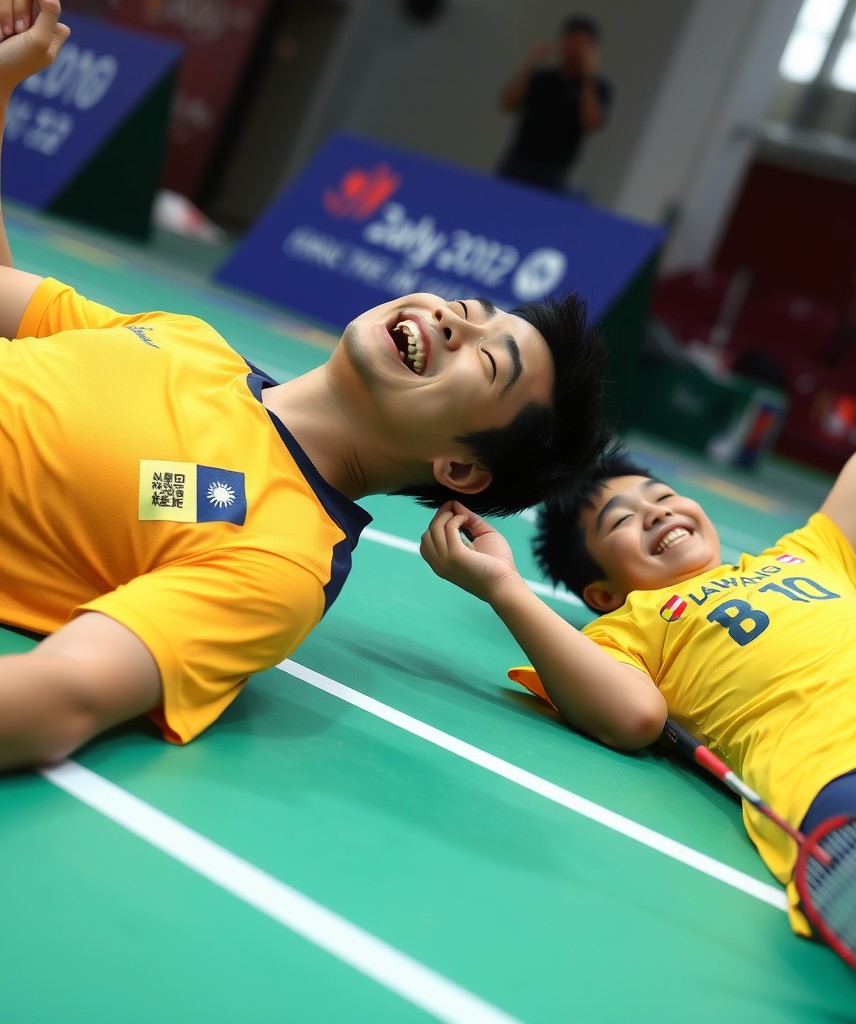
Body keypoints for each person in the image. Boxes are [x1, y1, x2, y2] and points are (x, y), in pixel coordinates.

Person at [0, 0, 610, 772]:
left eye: (486, 363)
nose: (456, 324)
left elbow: (62, 695)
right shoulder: (192, 342)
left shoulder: (280, 556)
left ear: (460, 469)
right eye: (468, 311)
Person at [421, 251, 856, 1016]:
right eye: (623, 522)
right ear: (602, 590)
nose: (658, 512)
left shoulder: (813, 553)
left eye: (661, 494)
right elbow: (635, 717)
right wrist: (504, 588)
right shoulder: (631, 628)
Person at [496, 15, 612, 193]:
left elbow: (592, 121)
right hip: (519, 158)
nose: (574, 47)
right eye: (571, 39)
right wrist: (530, 64)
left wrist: (589, 74)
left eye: (581, 43)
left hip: (553, 169)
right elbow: (509, 103)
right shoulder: (543, 78)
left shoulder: (597, 87)